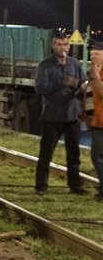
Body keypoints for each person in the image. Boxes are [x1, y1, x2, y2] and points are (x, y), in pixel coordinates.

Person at [34, 30, 86, 195]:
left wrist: (78, 85)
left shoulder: (75, 64)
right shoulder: (45, 65)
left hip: (72, 115)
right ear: (53, 45)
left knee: (74, 154)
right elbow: (40, 88)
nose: (63, 48)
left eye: (66, 44)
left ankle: (75, 186)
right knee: (46, 153)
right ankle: (41, 186)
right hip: (52, 115)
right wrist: (59, 82)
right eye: (59, 44)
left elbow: (83, 85)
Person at [86, 40, 103, 201]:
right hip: (97, 121)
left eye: (97, 54)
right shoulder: (92, 71)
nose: (93, 58)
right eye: (91, 54)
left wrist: (96, 76)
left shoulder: (98, 73)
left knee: (97, 156)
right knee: (97, 156)